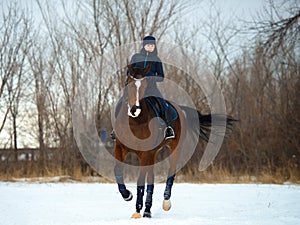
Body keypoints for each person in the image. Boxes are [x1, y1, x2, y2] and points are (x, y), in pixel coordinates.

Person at [128, 35, 175, 140]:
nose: (150, 47)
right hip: (136, 87)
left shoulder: (156, 59)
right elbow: (129, 71)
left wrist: (151, 78)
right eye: (148, 45)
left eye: (152, 45)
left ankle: (168, 127)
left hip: (151, 88)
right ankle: (116, 129)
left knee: (162, 103)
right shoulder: (136, 57)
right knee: (122, 101)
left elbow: (161, 77)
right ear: (144, 46)